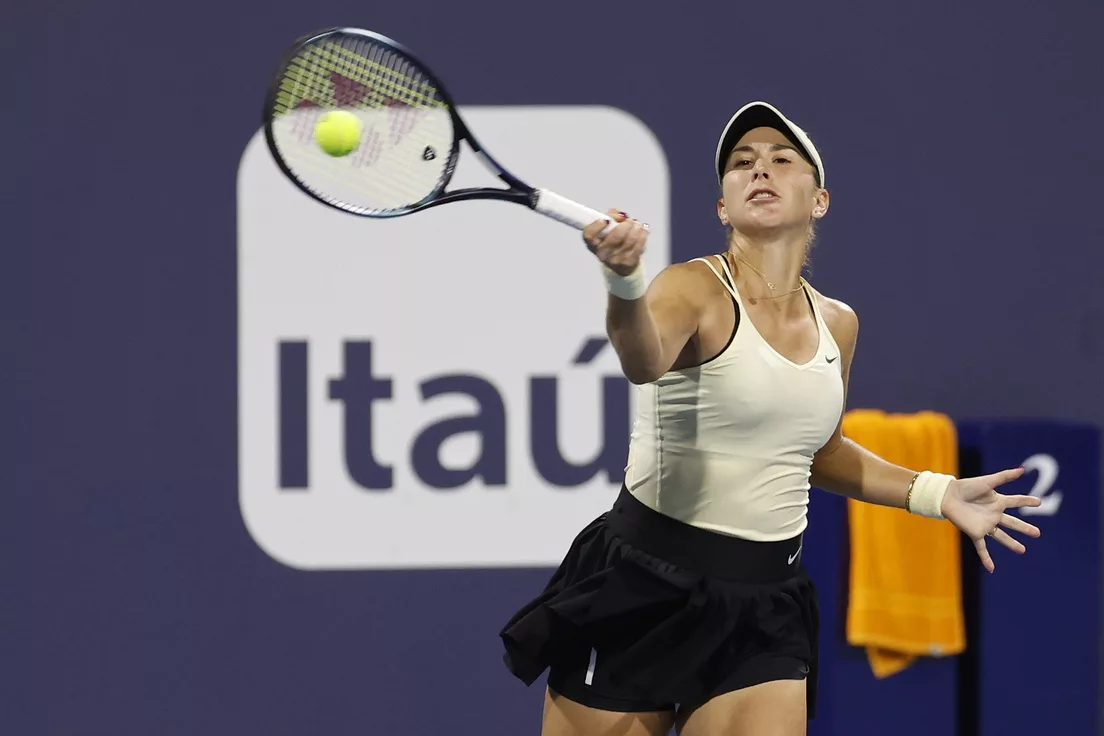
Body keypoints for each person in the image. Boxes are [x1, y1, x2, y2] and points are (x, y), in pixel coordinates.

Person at [499, 101, 1041, 736]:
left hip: (764, 605)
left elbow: (823, 452)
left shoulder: (839, 323)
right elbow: (642, 360)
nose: (761, 169)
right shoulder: (691, 287)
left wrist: (936, 491)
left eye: (783, 159)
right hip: (641, 583)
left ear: (820, 201)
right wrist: (624, 282)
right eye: (742, 163)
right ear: (724, 207)